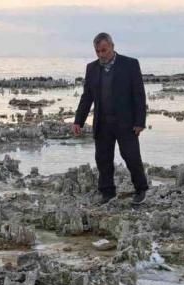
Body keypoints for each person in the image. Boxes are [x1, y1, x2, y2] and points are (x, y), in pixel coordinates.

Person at [72, 32, 149, 205]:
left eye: (104, 50)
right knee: (103, 159)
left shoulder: (130, 64)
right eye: (98, 51)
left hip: (126, 122)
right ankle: (107, 192)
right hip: (102, 122)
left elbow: (139, 95)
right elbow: (87, 97)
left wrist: (140, 122)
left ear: (112, 47)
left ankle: (141, 189)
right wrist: (78, 121)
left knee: (131, 156)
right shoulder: (91, 68)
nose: (101, 55)